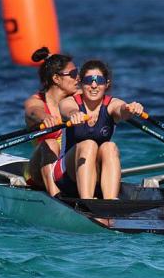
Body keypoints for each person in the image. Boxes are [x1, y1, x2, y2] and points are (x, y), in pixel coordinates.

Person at [55, 60, 144, 199]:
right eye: (89, 80)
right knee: (88, 144)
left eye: (99, 81)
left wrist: (130, 109)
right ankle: (87, 201)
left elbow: (122, 109)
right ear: (81, 82)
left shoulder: (112, 104)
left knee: (110, 146)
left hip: (96, 175)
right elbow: (67, 109)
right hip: (67, 177)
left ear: (107, 84)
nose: (94, 85)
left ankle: (110, 201)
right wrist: (74, 114)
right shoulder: (70, 102)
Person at [23, 47, 85, 196]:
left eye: (78, 72)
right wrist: (45, 117)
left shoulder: (80, 98)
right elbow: (32, 111)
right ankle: (55, 196)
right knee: (50, 143)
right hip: (37, 173)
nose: (78, 78)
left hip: (68, 167)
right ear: (56, 79)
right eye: (73, 74)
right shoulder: (36, 101)